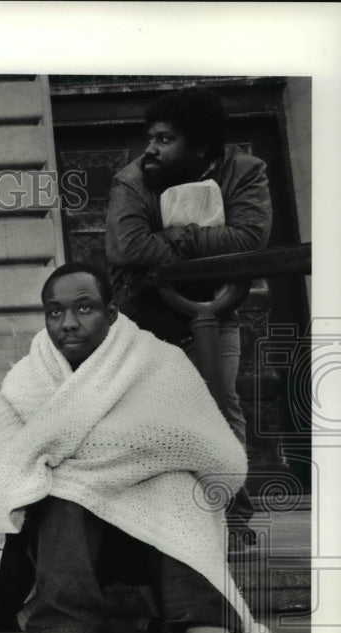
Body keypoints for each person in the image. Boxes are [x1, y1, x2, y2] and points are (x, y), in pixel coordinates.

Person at [0, 262, 275, 633]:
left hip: (155, 537)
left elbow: (213, 459)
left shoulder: (158, 361)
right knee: (60, 490)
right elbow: (13, 474)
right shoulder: (25, 380)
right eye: (55, 312)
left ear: (111, 313)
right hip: (71, 540)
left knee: (174, 484)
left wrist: (133, 464)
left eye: (84, 308)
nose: (68, 323)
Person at [105, 86, 273, 538]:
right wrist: (197, 241)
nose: (151, 148)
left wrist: (177, 239)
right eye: (151, 137)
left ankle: (230, 518)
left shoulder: (244, 172)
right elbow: (127, 246)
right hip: (146, 318)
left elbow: (249, 240)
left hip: (217, 313)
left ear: (200, 146)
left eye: (164, 139)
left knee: (220, 408)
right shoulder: (133, 180)